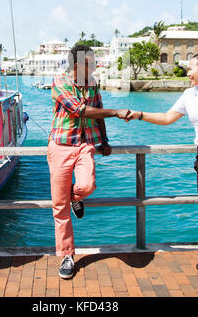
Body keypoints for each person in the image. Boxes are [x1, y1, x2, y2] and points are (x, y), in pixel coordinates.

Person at [126, 52, 198, 281]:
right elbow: (167, 117)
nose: (187, 73)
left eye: (191, 68)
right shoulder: (189, 95)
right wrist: (139, 114)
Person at [47, 44, 130, 279]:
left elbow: (98, 110)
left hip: (85, 145)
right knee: (59, 206)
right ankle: (66, 255)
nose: (94, 66)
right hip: (61, 145)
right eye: (90, 62)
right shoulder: (60, 83)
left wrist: (104, 140)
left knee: (87, 186)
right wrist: (117, 112)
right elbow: (81, 111)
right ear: (76, 65)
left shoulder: (92, 84)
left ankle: (76, 197)